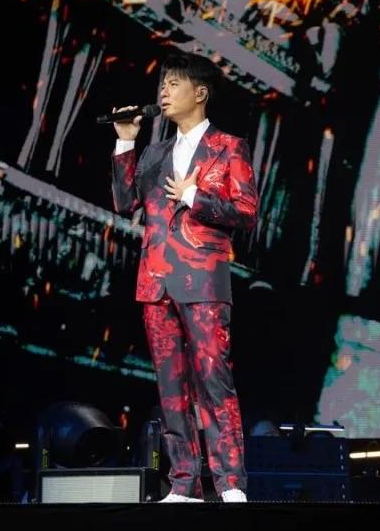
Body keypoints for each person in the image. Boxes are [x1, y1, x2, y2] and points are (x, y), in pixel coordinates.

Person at [111, 51, 258, 503]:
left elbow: (247, 213)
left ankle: (230, 482)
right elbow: (125, 203)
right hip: (155, 282)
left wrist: (196, 197)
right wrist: (125, 144)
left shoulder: (229, 147)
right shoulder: (154, 153)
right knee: (170, 389)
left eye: (174, 84)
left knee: (214, 383)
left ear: (200, 93)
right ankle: (184, 483)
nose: (164, 92)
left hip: (203, 282)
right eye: (163, 84)